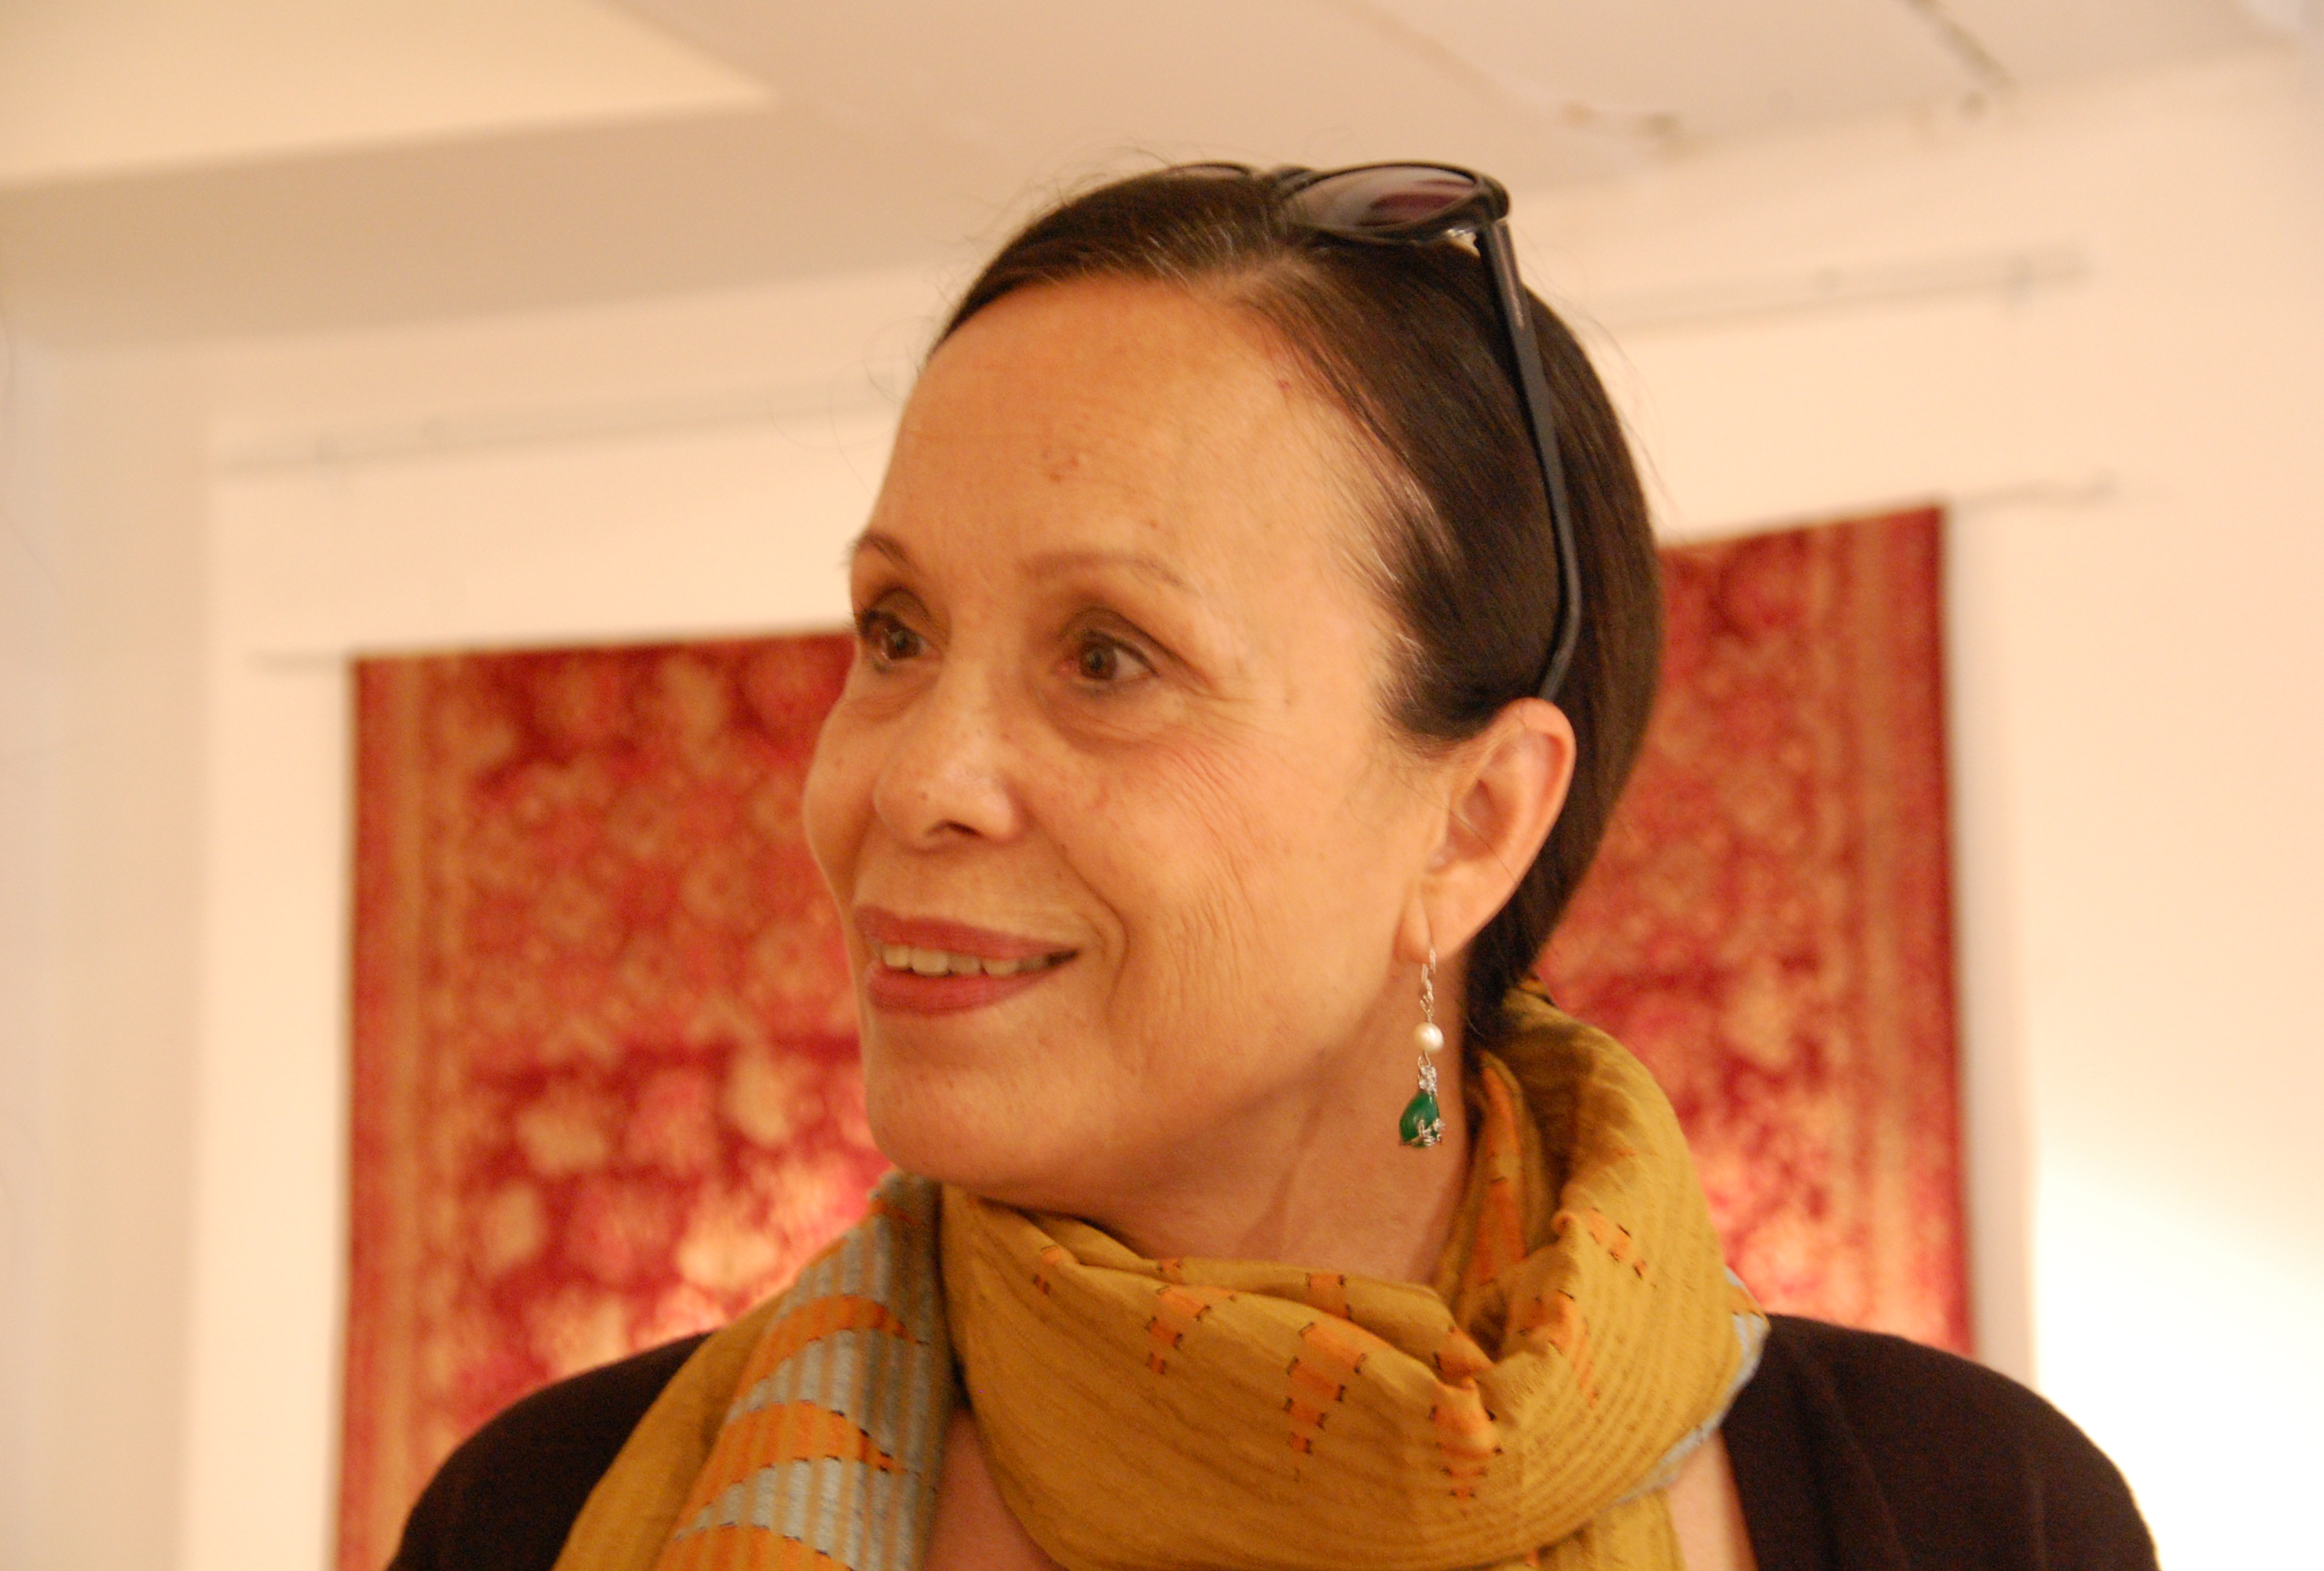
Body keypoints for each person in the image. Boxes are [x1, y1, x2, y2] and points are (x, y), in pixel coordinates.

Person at [390, 164, 2155, 1571]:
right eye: (896, 629)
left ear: (1472, 821)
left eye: (1108, 658)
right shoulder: (541, 1517)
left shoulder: (1962, 1516)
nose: (910, 780)